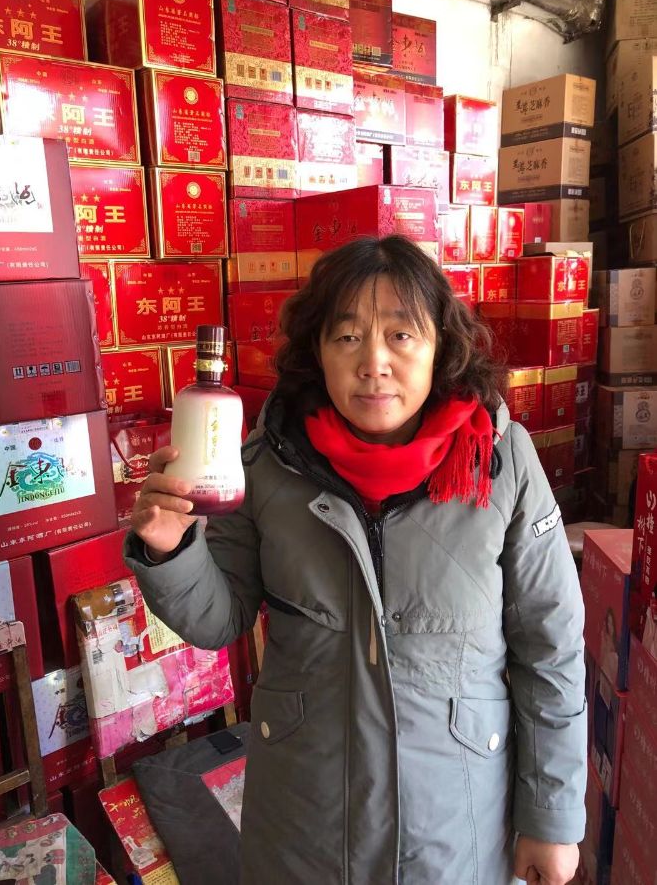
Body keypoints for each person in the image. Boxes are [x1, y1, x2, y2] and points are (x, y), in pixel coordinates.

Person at [125, 235, 587, 885]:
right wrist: (171, 548)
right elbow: (217, 618)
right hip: (305, 827)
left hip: (457, 824)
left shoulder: (499, 462)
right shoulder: (269, 464)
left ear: (440, 347)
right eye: (346, 337)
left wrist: (552, 818)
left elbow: (550, 647)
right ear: (316, 350)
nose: (373, 363)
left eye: (401, 335)